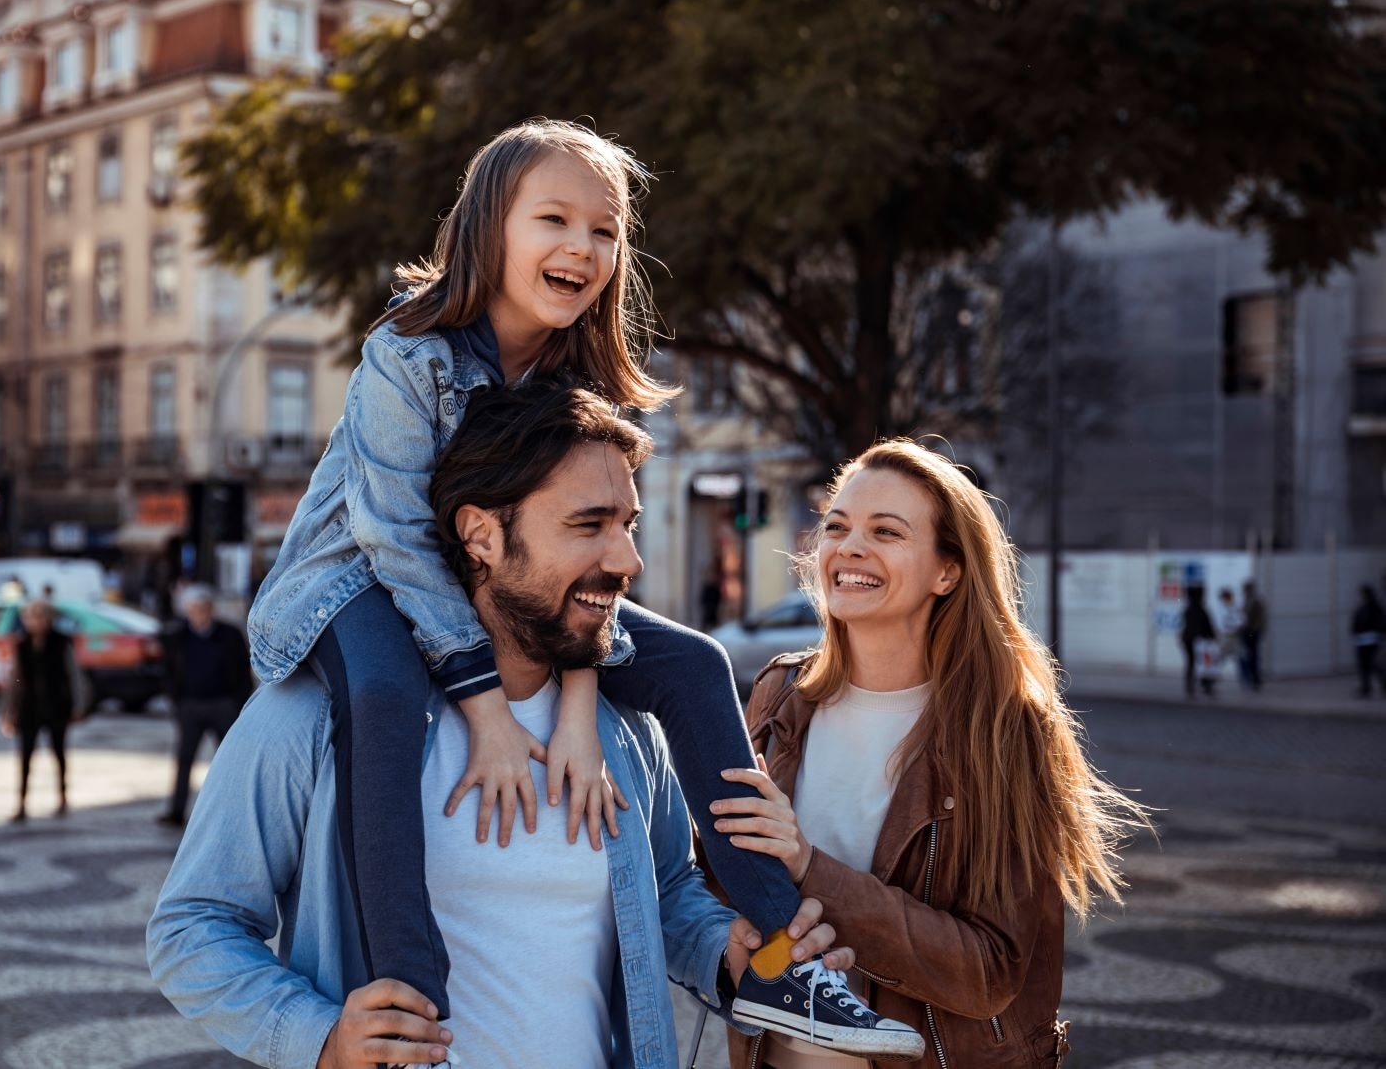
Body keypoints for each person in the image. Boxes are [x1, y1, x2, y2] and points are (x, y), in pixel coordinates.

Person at [241, 119, 896, 1050]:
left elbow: (583, 577)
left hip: (504, 596)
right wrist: (489, 711)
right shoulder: (408, 348)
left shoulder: (576, 373)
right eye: (554, 219)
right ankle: (407, 1005)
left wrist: (580, 706)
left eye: (605, 230)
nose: (581, 248)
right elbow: (393, 537)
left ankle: (781, 963)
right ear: (487, 230)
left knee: (696, 664)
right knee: (386, 697)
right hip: (357, 585)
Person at [149, 382, 892, 1068]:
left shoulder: (626, 729)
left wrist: (722, 952)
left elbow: (664, 891)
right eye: (587, 526)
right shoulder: (315, 718)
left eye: (628, 525)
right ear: (481, 535)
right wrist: (319, 1038)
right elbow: (192, 929)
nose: (626, 560)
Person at [712, 440, 1149, 1069]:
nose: (850, 547)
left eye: (886, 532)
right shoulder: (780, 696)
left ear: (947, 571)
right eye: (837, 526)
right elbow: (725, 879)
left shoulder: (1001, 728)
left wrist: (810, 867)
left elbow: (988, 970)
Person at [157, 586, 252, 826]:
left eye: (203, 609)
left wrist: (238, 702)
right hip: (190, 706)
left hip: (223, 704)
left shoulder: (229, 634)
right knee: (184, 759)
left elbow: (243, 671)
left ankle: (234, 809)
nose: (199, 615)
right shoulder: (178, 637)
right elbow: (168, 671)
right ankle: (176, 811)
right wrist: (177, 701)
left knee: (229, 761)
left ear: (211, 609)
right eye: (193, 610)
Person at [0, 599, 88, 822]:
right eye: (31, 617)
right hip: (29, 708)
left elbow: (73, 675)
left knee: (58, 753)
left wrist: (78, 705)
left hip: (56, 706)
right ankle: (21, 803)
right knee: (25, 757)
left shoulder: (61, 642)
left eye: (40, 616)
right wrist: (9, 710)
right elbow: (15, 679)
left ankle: (62, 798)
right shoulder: (22, 644)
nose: (36, 621)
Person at [1179, 585, 1218, 699]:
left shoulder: (1188, 609)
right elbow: (1207, 626)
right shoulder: (1200, 609)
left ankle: (1190, 686)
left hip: (1188, 639)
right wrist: (1212, 637)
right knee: (1204, 664)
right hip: (1198, 641)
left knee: (1192, 663)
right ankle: (1206, 686)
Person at [1353, 585, 1385, 698]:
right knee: (1364, 667)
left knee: (1375, 665)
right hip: (1362, 641)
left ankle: (1382, 686)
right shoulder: (1362, 607)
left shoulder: (1375, 607)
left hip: (1372, 640)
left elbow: (1380, 623)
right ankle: (1366, 688)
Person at [1239, 581, 1267, 691]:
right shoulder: (1248, 601)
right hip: (1249, 631)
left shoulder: (1254, 601)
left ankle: (1255, 679)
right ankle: (1252, 678)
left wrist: (1255, 630)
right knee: (1249, 655)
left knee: (1252, 655)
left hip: (1252, 632)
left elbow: (1252, 617)